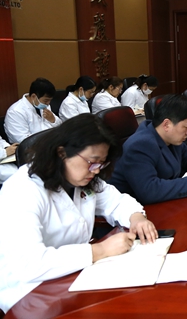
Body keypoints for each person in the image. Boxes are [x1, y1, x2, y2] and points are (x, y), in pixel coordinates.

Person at [0, 114, 158, 313]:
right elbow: (30, 263)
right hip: (30, 293)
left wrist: (136, 217)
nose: (96, 171)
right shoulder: (22, 190)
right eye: (92, 162)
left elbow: (116, 201)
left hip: (75, 277)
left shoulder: (81, 178)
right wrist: (99, 251)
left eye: (101, 164)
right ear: (62, 153)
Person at [110, 95, 187, 205]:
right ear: (166, 124)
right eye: (186, 127)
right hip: (134, 209)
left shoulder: (170, 137)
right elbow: (149, 190)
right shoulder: (139, 145)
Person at [4, 78, 63, 144]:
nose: (48, 103)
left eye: (50, 100)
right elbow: (23, 140)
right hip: (31, 147)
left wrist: (53, 120)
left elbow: (60, 126)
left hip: (49, 142)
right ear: (33, 96)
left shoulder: (44, 105)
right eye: (46, 100)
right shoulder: (15, 111)